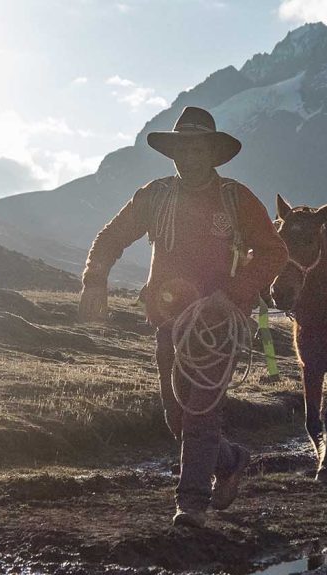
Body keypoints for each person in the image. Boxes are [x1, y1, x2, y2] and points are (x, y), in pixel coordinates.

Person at [79, 106, 288, 528]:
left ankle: (191, 503)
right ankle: (230, 461)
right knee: (177, 418)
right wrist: (94, 280)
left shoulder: (237, 198)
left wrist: (233, 294)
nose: (189, 156)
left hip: (218, 324)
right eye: (181, 148)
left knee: (200, 414)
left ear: (212, 152)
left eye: (198, 148)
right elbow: (112, 236)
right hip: (167, 320)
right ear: (172, 152)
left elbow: (273, 251)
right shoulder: (154, 196)